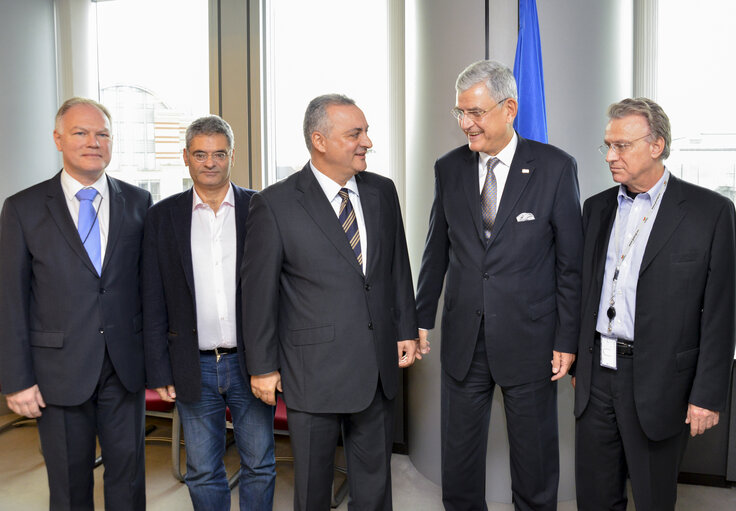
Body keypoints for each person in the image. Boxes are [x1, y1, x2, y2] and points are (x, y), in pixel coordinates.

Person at [415, 60, 583, 510]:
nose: (466, 124)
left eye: (476, 112)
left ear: (508, 108)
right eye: (460, 113)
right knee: (461, 459)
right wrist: (419, 319)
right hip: (464, 338)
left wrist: (568, 338)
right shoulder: (448, 168)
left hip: (531, 339)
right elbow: (436, 249)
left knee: (535, 460)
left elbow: (570, 265)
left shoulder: (554, 167)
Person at [243, 93, 418, 511]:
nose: (367, 142)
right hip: (312, 372)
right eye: (355, 134)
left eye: (367, 131)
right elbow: (258, 293)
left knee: (375, 485)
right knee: (312, 488)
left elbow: (397, 267)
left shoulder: (382, 191)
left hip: (377, 367)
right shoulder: (275, 203)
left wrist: (406, 328)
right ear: (319, 140)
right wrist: (263, 367)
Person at [573, 97, 736, 510]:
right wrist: (580, 360)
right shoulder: (595, 209)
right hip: (596, 380)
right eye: (607, 145)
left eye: (621, 145)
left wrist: (708, 395)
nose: (610, 156)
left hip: (662, 381)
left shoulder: (710, 212)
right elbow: (584, 291)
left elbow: (720, 312)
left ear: (656, 145)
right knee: (595, 496)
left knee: (652, 498)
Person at [0, 97, 151, 510]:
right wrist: (16, 379)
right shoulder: (23, 208)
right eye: (81, 132)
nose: (93, 141)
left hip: (124, 368)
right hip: (57, 372)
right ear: (58, 139)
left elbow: (148, 290)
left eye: (102, 133)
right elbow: (10, 299)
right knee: (68, 484)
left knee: (129, 477)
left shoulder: (139, 203)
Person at [142, 115, 275, 510]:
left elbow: (278, 290)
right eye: (200, 154)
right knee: (201, 468)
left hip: (250, 361)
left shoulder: (261, 208)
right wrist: (158, 369)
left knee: (260, 463)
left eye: (219, 154)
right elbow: (152, 297)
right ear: (186, 157)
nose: (210, 163)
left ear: (232, 156)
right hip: (191, 364)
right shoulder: (162, 217)